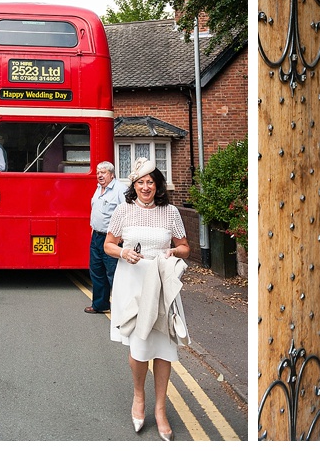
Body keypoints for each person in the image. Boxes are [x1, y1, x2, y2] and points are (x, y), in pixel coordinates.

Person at [105, 159, 190, 441]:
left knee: (164, 348)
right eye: (140, 182)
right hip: (133, 283)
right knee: (139, 346)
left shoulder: (170, 212)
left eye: (150, 182)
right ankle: (139, 397)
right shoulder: (123, 210)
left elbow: (185, 248)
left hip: (163, 285)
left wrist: (173, 253)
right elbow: (108, 244)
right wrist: (123, 253)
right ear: (134, 185)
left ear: (158, 185)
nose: (145, 187)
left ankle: (161, 410)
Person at [86, 160, 125, 315]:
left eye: (103, 172)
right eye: (98, 173)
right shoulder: (98, 189)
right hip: (96, 236)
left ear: (112, 174)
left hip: (112, 239)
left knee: (114, 274)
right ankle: (100, 304)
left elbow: (127, 212)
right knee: (96, 271)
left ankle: (121, 310)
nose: (99, 175)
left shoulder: (120, 190)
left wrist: (123, 234)